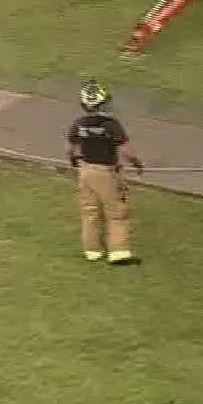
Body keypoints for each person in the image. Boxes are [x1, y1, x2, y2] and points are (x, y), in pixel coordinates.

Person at [66, 79, 145, 265]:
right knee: (116, 212)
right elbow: (126, 151)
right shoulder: (111, 125)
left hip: (85, 171)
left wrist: (74, 164)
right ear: (103, 103)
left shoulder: (78, 124)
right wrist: (137, 164)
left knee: (90, 211)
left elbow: (71, 150)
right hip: (106, 173)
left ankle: (92, 251)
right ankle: (119, 253)